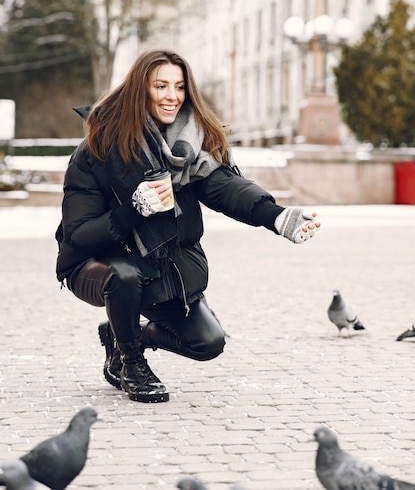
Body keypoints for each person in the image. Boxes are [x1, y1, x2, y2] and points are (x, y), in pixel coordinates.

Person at [55, 48, 321, 404]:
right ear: (140, 90)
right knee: (124, 276)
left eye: (179, 87)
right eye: (160, 86)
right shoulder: (98, 149)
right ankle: (131, 363)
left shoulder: (187, 149)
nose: (172, 96)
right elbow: (79, 234)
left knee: (208, 342)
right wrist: (135, 208)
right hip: (96, 265)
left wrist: (275, 216)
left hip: (159, 266)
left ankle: (126, 335)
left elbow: (226, 188)